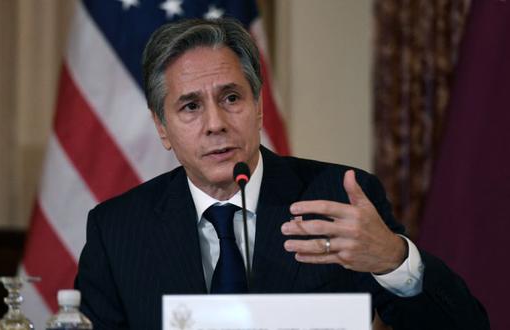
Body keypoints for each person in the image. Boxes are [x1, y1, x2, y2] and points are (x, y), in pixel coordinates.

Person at [75, 18, 489, 330]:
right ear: (162, 127)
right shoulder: (118, 230)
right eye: (190, 107)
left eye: (231, 98)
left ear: (258, 108)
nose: (216, 123)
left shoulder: (339, 198)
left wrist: (394, 261)